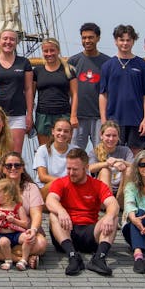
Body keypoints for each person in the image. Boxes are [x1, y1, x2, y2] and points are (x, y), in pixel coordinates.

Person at [46, 148, 119, 276]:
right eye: (68, 168)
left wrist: (109, 215)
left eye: (75, 169)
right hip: (67, 231)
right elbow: (50, 200)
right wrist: (61, 210)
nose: (71, 173)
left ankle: (99, 258)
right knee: (53, 214)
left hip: (90, 232)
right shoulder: (60, 182)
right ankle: (73, 257)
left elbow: (113, 203)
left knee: (113, 217)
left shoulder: (98, 185)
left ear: (86, 167)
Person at [0, 151, 48, 269]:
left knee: (41, 244)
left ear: (22, 168)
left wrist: (33, 230)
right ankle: (22, 259)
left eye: (17, 165)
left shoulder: (31, 187)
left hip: (22, 232)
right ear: (2, 168)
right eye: (9, 165)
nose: (13, 168)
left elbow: (36, 214)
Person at [99, 24, 145, 150]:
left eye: (128, 40)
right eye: (121, 40)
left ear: (133, 41)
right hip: (114, 120)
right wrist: (104, 120)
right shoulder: (107, 66)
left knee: (136, 155)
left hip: (137, 119)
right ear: (116, 41)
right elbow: (103, 94)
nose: (125, 43)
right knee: (114, 153)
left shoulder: (142, 65)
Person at [0, 29, 34, 154]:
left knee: (15, 153)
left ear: (16, 43)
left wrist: (29, 114)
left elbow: (28, 89)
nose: (8, 42)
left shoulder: (24, 63)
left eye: (12, 39)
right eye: (5, 39)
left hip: (17, 114)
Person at [69, 22, 110, 150]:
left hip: (99, 116)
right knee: (75, 152)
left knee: (101, 152)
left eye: (91, 37)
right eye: (84, 38)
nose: (87, 41)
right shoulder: (73, 61)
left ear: (98, 38)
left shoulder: (107, 62)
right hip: (78, 116)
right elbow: (68, 90)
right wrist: (72, 115)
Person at [33, 37, 78, 146]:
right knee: (44, 149)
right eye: (46, 51)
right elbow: (31, 94)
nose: (49, 54)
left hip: (63, 114)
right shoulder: (38, 71)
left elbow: (75, 94)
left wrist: (73, 116)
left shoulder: (69, 70)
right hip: (43, 115)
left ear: (58, 50)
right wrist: (29, 115)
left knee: (64, 148)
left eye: (52, 50)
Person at [34, 118, 76, 198]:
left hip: (69, 189)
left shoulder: (76, 151)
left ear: (71, 134)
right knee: (55, 184)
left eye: (66, 131)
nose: (62, 133)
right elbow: (42, 177)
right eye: (59, 130)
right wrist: (64, 182)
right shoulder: (42, 150)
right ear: (53, 131)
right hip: (46, 191)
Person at [90, 120, 133, 195]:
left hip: (121, 191)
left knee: (129, 170)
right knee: (105, 171)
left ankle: (122, 203)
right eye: (108, 135)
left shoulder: (125, 150)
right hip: (103, 193)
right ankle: (109, 203)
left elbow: (135, 167)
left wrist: (120, 161)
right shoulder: (95, 151)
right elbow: (90, 168)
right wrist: (108, 164)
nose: (111, 139)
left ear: (118, 137)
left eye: (114, 136)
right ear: (101, 136)